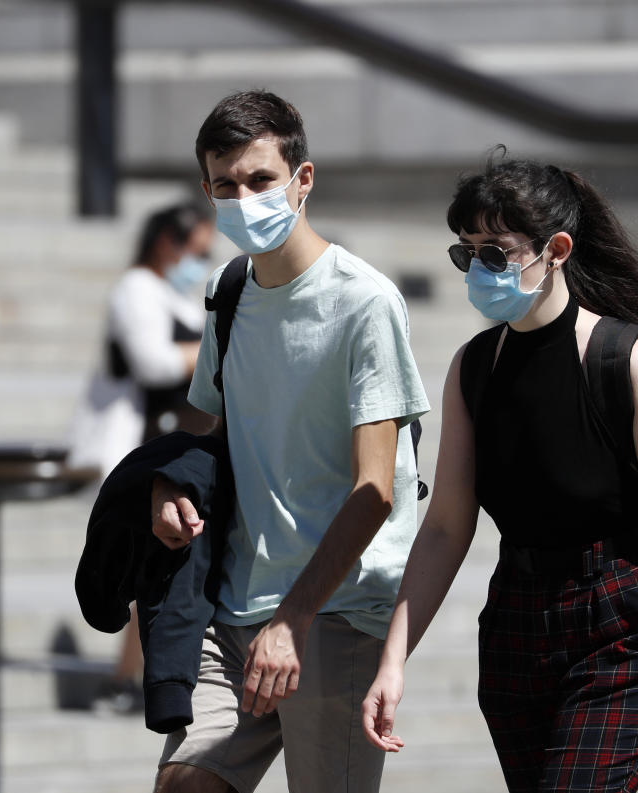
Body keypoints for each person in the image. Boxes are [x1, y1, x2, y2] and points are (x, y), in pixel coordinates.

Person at [361, 153, 638, 793]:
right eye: (467, 254)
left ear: (556, 249)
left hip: (623, 629)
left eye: (496, 253)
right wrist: (393, 660)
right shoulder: (474, 367)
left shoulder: (624, 357)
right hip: (516, 627)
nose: (478, 271)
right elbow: (445, 529)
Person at [150, 89, 429, 793]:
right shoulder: (229, 291)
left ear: (303, 180)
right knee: (186, 785)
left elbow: (376, 488)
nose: (242, 198)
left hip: (331, 611)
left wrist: (294, 615)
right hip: (235, 603)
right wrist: (167, 482)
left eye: (260, 179)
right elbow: (203, 426)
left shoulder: (365, 301)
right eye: (225, 185)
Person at [92, 202, 216, 711]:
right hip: (142, 447)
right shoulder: (136, 289)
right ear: (169, 241)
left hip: (177, 447)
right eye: (198, 251)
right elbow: (153, 363)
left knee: (163, 561)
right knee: (151, 562)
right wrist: (210, 351)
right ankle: (131, 678)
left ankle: (139, 675)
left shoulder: (174, 294)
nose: (202, 262)